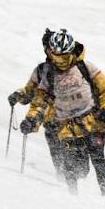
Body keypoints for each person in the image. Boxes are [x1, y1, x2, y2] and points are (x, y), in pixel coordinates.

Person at [20, 29, 105, 195]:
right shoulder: (49, 75)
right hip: (66, 129)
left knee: (98, 160)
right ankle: (72, 198)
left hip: (93, 122)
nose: (61, 61)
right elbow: (40, 102)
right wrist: (31, 121)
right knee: (73, 168)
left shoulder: (86, 68)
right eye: (56, 56)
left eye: (64, 56)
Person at [8, 29, 65, 178]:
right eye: (47, 47)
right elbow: (29, 92)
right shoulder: (41, 70)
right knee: (59, 160)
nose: (50, 51)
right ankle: (66, 188)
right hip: (51, 124)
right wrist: (18, 96)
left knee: (75, 164)